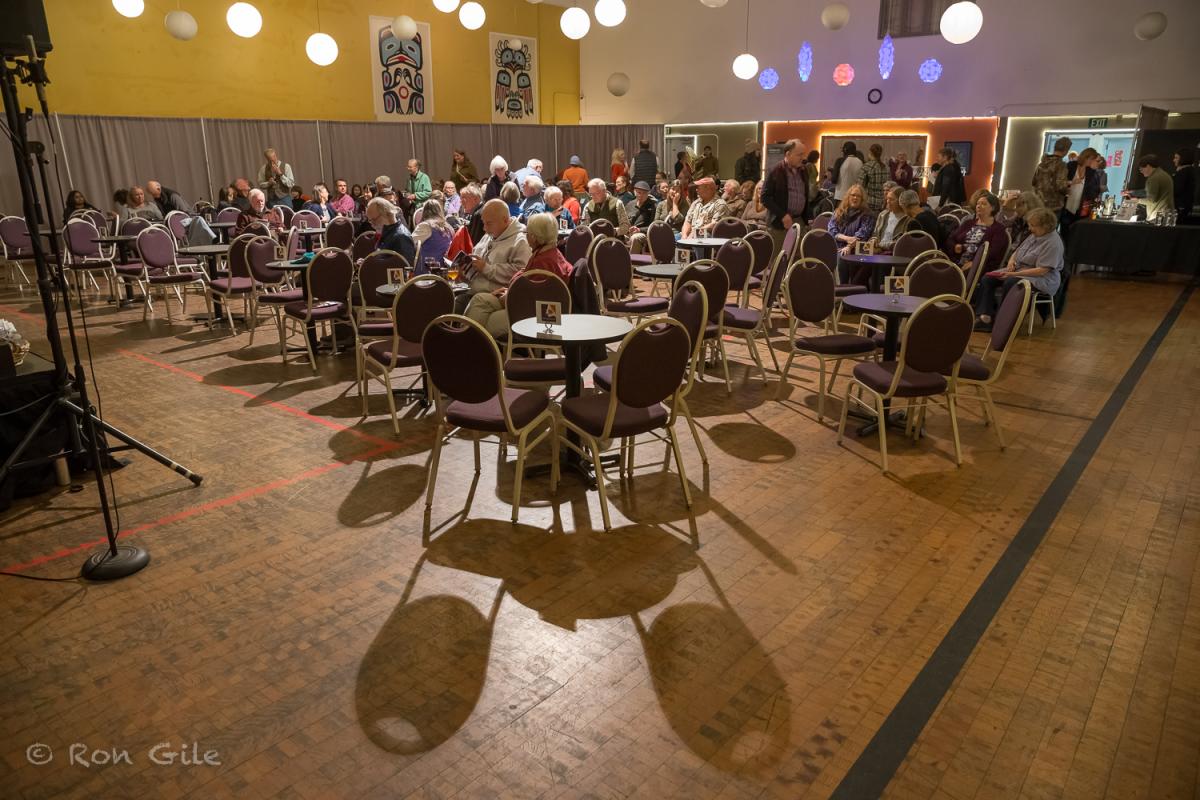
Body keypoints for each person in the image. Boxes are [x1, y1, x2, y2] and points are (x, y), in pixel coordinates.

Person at [465, 212, 570, 337]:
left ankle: (469, 343)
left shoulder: (544, 263)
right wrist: (509, 291)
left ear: (535, 237)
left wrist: (507, 296)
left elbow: (533, 300)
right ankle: (468, 342)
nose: (525, 237)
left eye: (527, 234)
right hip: (523, 304)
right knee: (480, 299)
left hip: (537, 317)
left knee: (484, 323)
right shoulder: (546, 253)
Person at [974, 207, 1063, 330]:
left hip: (1042, 278)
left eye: (1033, 226)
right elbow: (1017, 251)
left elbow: (1042, 270)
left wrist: (1013, 275)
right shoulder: (1035, 235)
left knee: (1011, 283)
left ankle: (1004, 320)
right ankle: (985, 317)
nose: (1030, 228)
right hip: (1020, 270)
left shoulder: (1053, 243)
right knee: (987, 278)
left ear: (1046, 226)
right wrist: (1011, 261)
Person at [460, 199, 531, 312]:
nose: (484, 228)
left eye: (489, 223)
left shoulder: (521, 241)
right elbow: (476, 264)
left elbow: (520, 274)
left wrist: (486, 268)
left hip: (492, 298)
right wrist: (465, 273)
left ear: (505, 220)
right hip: (471, 292)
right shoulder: (489, 235)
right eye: (483, 223)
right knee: (444, 302)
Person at [761, 138, 811, 254]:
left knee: (798, 258)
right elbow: (765, 197)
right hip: (779, 222)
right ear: (788, 154)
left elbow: (805, 195)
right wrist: (783, 215)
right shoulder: (775, 171)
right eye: (799, 155)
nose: (803, 158)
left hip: (799, 221)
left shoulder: (803, 171)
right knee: (778, 259)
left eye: (803, 154)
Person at [946, 191, 1007, 271]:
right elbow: (951, 238)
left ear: (993, 208)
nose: (978, 206)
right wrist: (955, 246)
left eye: (983, 204)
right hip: (957, 261)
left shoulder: (999, 229)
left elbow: (993, 252)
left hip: (979, 266)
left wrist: (974, 262)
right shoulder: (968, 223)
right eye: (978, 204)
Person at [1061, 147, 1102, 241]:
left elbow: (1095, 191)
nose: (1092, 162)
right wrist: (1071, 182)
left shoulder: (1092, 172)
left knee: (1076, 235)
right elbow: (1060, 182)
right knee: (1064, 233)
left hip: (1081, 207)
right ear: (1086, 157)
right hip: (1066, 205)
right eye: (1092, 159)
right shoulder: (1070, 166)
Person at [365, 197, 416, 265]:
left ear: (386, 214)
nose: (372, 225)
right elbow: (383, 259)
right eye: (370, 221)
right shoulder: (388, 231)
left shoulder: (401, 237)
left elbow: (406, 269)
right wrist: (368, 263)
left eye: (374, 220)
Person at [827, 185, 875, 257]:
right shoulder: (838, 212)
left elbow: (862, 234)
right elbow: (831, 230)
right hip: (836, 246)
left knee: (843, 255)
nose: (855, 198)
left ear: (862, 199)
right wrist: (847, 238)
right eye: (853, 195)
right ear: (848, 197)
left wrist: (849, 246)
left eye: (858, 196)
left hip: (856, 249)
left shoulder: (867, 215)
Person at [1125, 155, 1174, 221]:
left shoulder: (1153, 178)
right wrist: (1132, 192)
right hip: (1168, 215)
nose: (1141, 172)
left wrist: (1136, 200)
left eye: (1141, 169)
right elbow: (1149, 192)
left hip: (1158, 217)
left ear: (1148, 166)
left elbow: (1151, 199)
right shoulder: (1163, 174)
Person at [1032, 136, 1073, 213]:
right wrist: (1070, 191)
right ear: (1066, 150)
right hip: (1053, 206)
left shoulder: (1042, 163)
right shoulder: (1061, 165)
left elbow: (1034, 182)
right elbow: (1061, 186)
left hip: (1038, 203)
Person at [866, 187, 910, 254]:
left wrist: (880, 245)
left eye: (891, 199)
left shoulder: (907, 218)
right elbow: (875, 234)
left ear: (900, 201)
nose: (888, 202)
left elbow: (901, 243)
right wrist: (874, 240)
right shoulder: (883, 215)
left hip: (893, 253)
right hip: (878, 251)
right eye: (887, 199)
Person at [413, 199, 453, 266]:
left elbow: (411, 244)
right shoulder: (448, 227)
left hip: (427, 270)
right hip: (444, 268)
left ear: (424, 211)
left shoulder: (425, 226)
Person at [859, 144, 889, 213]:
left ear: (870, 152)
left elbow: (860, 186)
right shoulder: (886, 167)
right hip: (883, 203)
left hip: (869, 203)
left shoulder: (866, 167)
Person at [1172, 147, 1197, 224]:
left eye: (1176, 158)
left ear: (1183, 158)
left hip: (1181, 207)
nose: (1174, 160)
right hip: (1185, 206)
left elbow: (1177, 189)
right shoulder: (1189, 170)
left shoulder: (1183, 172)